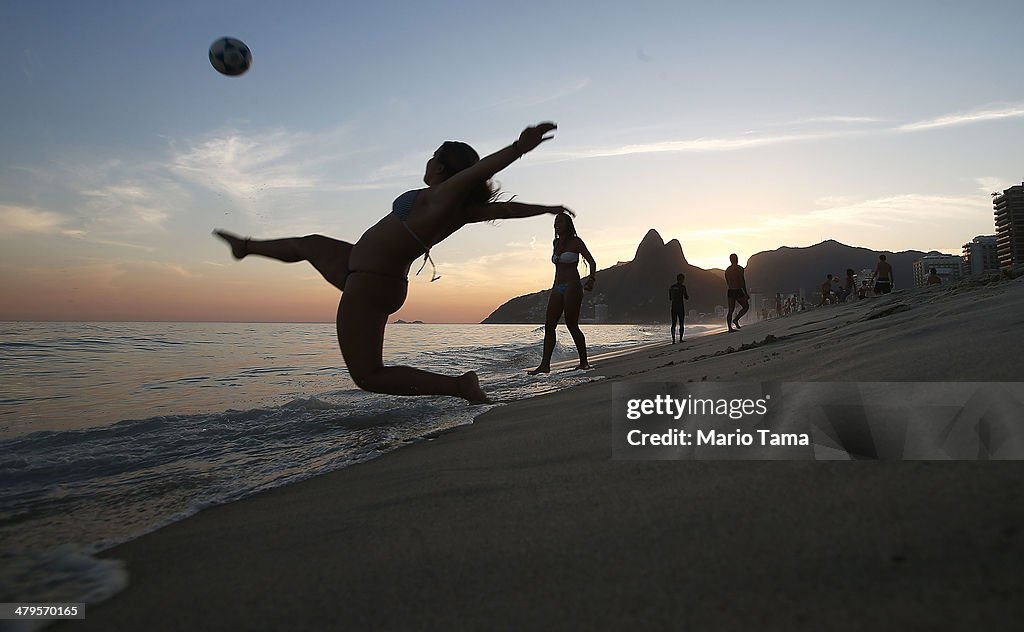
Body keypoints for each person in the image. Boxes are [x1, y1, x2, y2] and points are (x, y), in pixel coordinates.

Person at [215, 122, 568, 403]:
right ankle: (245, 247)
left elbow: (477, 175)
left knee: (369, 376)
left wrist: (520, 148)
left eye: (433, 156)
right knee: (310, 244)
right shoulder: (452, 204)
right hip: (359, 268)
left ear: (443, 166)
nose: (428, 160)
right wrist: (547, 208)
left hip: (372, 281)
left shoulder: (445, 197)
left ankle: (461, 386)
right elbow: (505, 209)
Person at [529, 212, 597, 374]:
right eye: (555, 222)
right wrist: (554, 286)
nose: (557, 224)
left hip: (572, 285)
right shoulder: (556, 243)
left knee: (571, 325)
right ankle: (545, 365)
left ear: (568, 224)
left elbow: (592, 261)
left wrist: (591, 280)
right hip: (557, 286)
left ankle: (584, 362)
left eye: (560, 222)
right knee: (549, 325)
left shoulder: (576, 242)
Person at [725, 253, 749, 332]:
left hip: (730, 291)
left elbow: (728, 282)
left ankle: (729, 328)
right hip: (737, 290)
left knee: (730, 310)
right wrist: (745, 293)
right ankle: (736, 319)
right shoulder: (740, 269)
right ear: (737, 259)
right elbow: (742, 281)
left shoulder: (727, 270)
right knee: (746, 307)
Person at [668, 273, 689, 344]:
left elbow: (670, 298)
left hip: (673, 307)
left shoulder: (672, 287)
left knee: (673, 323)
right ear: (682, 279)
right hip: (680, 307)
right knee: (681, 323)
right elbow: (686, 297)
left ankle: (673, 340)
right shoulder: (683, 287)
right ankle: (680, 339)